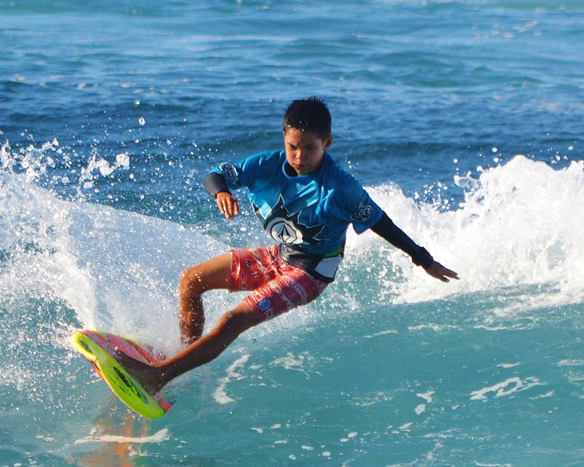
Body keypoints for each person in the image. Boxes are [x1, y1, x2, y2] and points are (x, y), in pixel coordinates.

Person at [116, 97, 458, 396]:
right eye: (293, 146)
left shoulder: (340, 189)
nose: (299, 156)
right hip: (279, 256)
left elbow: (383, 223)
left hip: (310, 272)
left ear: (327, 143)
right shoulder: (267, 165)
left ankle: (158, 377)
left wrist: (423, 259)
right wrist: (221, 192)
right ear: (284, 138)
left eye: (310, 147)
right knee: (191, 280)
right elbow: (214, 175)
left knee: (234, 320)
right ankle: (181, 362)